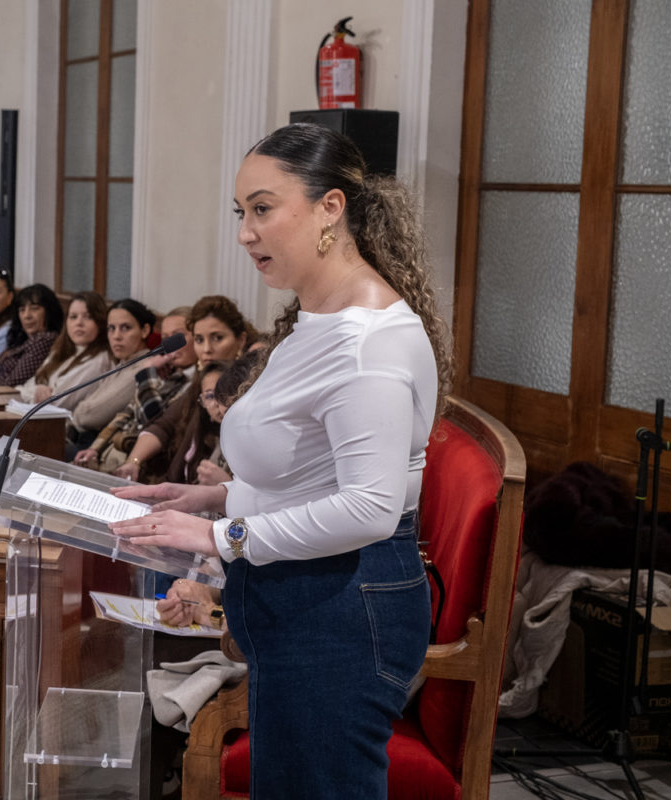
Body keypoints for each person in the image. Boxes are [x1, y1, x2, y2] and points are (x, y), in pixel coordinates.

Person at [109, 123, 452, 797]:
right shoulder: (315, 317)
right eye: (241, 212)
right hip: (302, 597)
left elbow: (369, 506)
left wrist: (219, 536)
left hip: (339, 607)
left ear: (331, 208)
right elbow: (307, 470)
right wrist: (208, 499)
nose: (246, 231)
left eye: (263, 208)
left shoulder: (366, 340)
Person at [114, 295, 256, 482]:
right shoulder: (200, 381)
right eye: (199, 339)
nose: (206, 349)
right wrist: (134, 461)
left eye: (218, 338)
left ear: (241, 340)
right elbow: (163, 425)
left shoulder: (251, 386)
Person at [72, 306, 197, 473]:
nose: (170, 343)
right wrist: (95, 448)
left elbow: (154, 422)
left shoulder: (194, 382)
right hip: (108, 456)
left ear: (196, 338)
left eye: (177, 335)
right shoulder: (164, 371)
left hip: (140, 466)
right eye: (165, 337)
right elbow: (126, 413)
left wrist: (146, 374)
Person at [65, 298, 155, 454]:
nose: (116, 336)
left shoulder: (143, 367)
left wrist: (77, 415)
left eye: (125, 328)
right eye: (111, 328)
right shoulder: (123, 364)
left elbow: (89, 416)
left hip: (98, 449)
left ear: (145, 330)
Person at [17, 291, 111, 409]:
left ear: (101, 322)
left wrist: (33, 393)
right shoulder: (62, 351)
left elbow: (56, 402)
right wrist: (36, 391)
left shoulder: (99, 360)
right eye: (73, 317)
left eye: (88, 317)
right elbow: (24, 387)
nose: (79, 323)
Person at [0, 283, 63, 387]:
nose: (27, 316)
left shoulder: (45, 339)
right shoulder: (24, 338)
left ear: (49, 311)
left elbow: (12, 383)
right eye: (22, 310)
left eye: (34, 308)